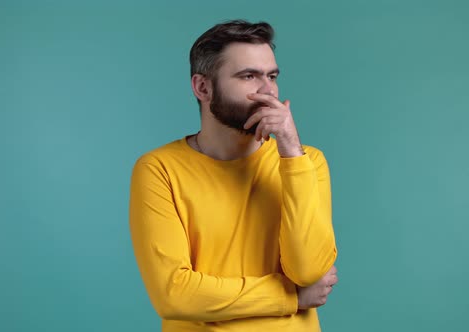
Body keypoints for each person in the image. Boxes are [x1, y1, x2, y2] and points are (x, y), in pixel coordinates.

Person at [129, 19, 338, 331]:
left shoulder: (306, 162)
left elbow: (307, 272)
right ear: (203, 87)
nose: (268, 90)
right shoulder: (159, 170)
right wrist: (291, 298)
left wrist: (291, 152)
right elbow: (175, 294)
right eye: (248, 76)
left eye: (272, 76)